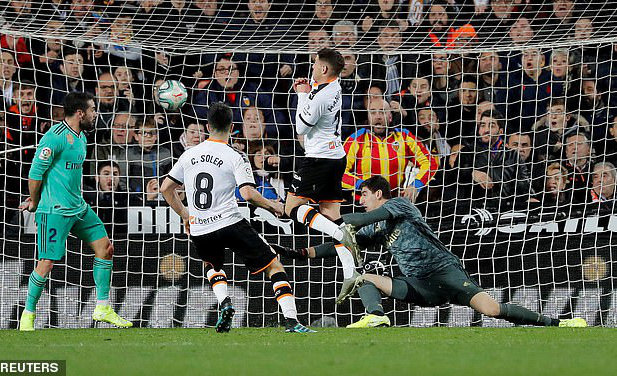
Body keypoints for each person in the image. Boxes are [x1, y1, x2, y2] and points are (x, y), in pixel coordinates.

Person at [278, 175, 586, 328]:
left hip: (446, 273)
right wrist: (300, 254)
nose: (361, 200)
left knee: (493, 311)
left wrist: (330, 220)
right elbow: (342, 244)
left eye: (364, 195)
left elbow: (361, 220)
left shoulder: (400, 205)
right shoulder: (376, 227)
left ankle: (561, 324)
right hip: (420, 285)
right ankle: (376, 317)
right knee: (363, 278)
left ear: (379, 194)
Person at [160, 102, 313, 333]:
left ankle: (225, 301)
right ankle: (292, 321)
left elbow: (165, 188)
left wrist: (185, 214)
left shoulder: (188, 154)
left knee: (212, 265)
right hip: (230, 221)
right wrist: (273, 205)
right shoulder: (235, 155)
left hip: (200, 227)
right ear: (232, 127)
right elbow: (247, 193)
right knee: (274, 266)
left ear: (207, 126)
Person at [18, 92, 131, 331]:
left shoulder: (81, 138)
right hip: (54, 210)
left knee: (106, 248)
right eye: (92, 110)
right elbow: (35, 174)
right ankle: (28, 314)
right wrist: (36, 202)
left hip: (78, 207)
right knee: (47, 262)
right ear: (80, 113)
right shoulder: (54, 137)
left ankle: (102, 307)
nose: (95, 114)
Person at [286, 48, 360, 302]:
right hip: (336, 157)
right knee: (331, 215)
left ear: (325, 69)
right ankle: (351, 273)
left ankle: (342, 235)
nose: (313, 67)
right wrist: (309, 92)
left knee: (292, 208)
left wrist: (301, 96)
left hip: (318, 159)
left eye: (316, 64)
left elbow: (300, 127)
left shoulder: (322, 95)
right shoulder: (334, 86)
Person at [341, 99, 438, 202]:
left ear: (390, 117)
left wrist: (415, 185)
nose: (378, 116)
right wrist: (362, 185)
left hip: (393, 204)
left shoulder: (404, 137)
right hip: (361, 204)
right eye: (373, 112)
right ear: (368, 117)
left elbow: (430, 163)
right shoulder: (356, 139)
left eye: (382, 112)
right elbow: (338, 172)